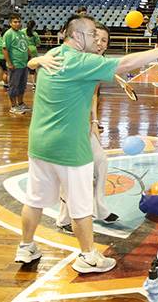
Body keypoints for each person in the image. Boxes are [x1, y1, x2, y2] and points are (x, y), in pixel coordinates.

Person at [15, 14, 158, 274]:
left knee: (34, 200)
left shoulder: (55, 53)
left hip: (39, 143)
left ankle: (25, 247)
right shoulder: (82, 60)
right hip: (70, 147)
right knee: (81, 206)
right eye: (93, 34)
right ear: (78, 36)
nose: (97, 38)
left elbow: (34, 63)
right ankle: (88, 257)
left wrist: (35, 60)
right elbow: (125, 63)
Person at [50, 22, 119, 233]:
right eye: (96, 38)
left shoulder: (97, 61)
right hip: (66, 125)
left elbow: (93, 95)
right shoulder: (79, 60)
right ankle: (64, 218)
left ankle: (99, 207)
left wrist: (95, 122)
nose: (99, 43)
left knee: (100, 162)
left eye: (104, 40)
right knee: (73, 171)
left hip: (84, 122)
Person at [3, 13, 31, 114]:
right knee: (14, 86)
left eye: (19, 21)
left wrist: (29, 56)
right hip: (15, 64)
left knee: (22, 85)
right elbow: (5, 49)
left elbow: (25, 46)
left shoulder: (22, 33)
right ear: (10, 23)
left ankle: (21, 103)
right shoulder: (9, 34)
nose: (17, 23)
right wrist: (9, 63)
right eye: (15, 22)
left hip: (24, 64)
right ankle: (13, 106)